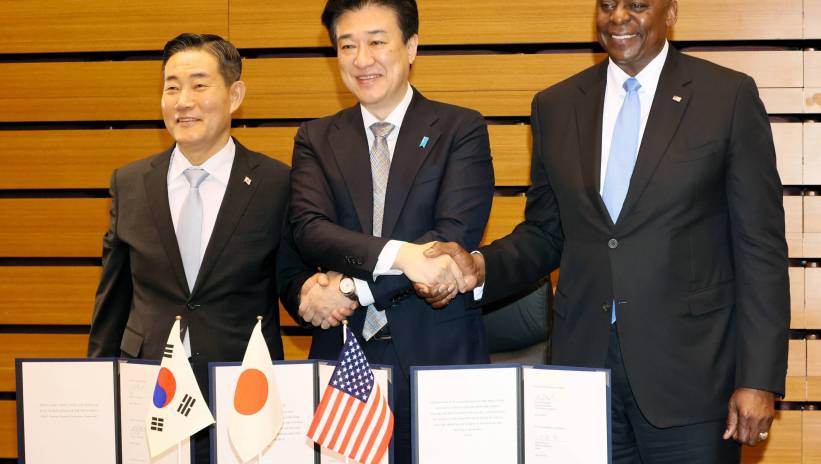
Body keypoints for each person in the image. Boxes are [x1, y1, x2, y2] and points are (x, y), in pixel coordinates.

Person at [417, 1, 790, 462]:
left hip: (692, 378)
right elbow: (546, 232)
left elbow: (760, 248)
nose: (618, 17)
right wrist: (480, 267)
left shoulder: (726, 97)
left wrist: (758, 377)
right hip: (583, 375)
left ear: (671, 12)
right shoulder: (555, 105)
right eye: (607, 4)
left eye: (637, 5)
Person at [86, 33, 332, 463]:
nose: (183, 101)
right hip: (149, 393)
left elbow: (290, 280)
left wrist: (319, 298)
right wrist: (97, 391)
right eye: (172, 87)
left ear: (235, 95)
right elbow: (112, 301)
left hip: (242, 392)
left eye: (199, 85)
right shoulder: (130, 183)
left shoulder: (276, 184)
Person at [287, 1, 495, 461]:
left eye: (377, 42)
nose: (363, 59)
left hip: (437, 354)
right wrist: (403, 255)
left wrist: (351, 288)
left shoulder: (459, 128)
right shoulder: (315, 138)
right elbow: (310, 229)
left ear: (411, 46)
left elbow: (452, 236)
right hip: (342, 357)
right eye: (348, 46)